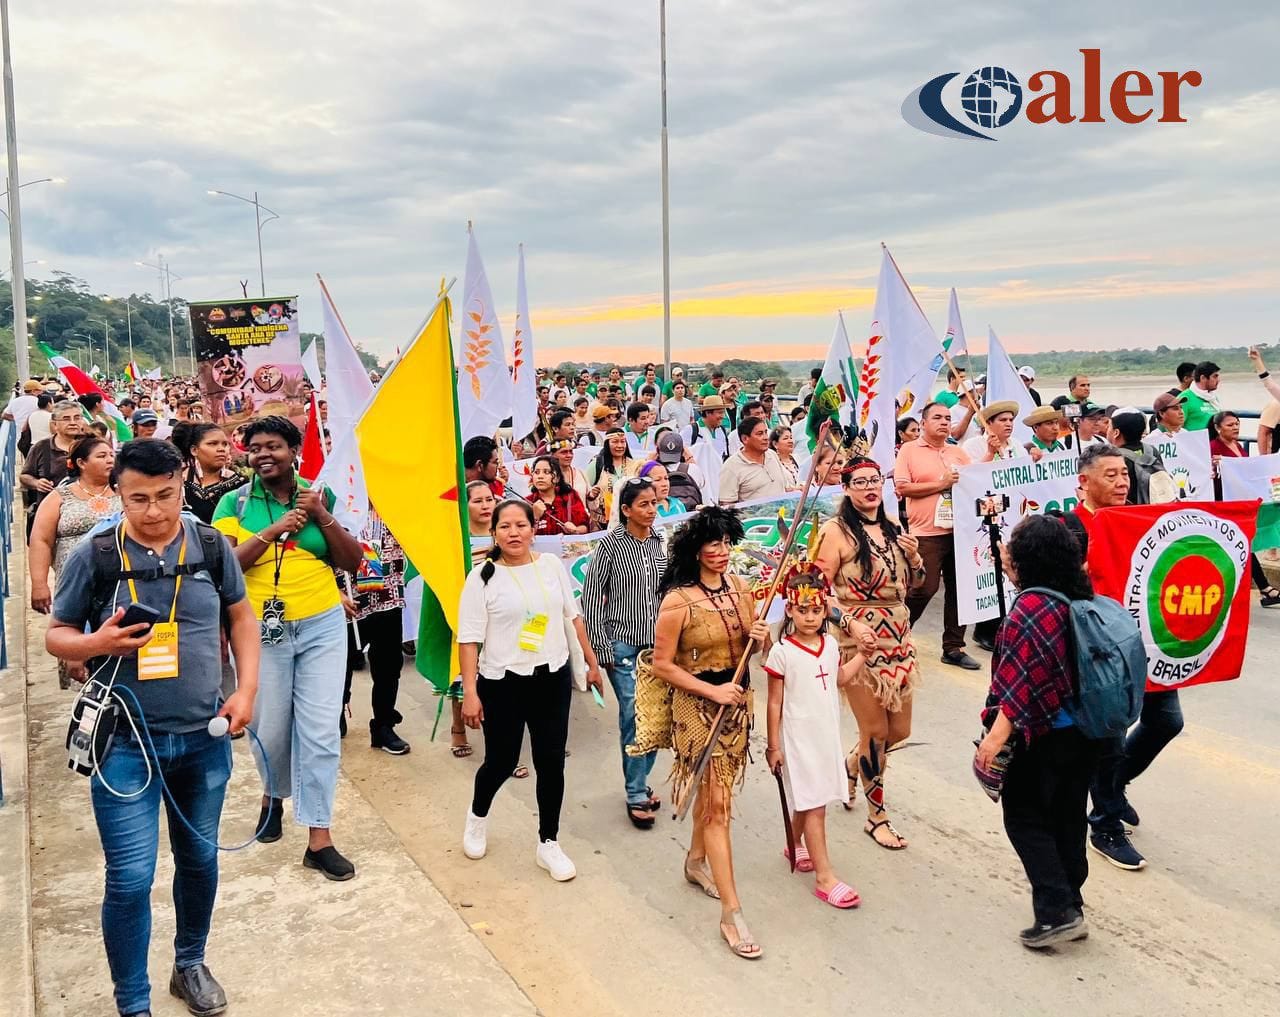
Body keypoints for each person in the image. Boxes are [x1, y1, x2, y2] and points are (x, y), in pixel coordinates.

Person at [46, 438, 259, 1017]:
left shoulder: (211, 546)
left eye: (165, 495)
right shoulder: (95, 554)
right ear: (118, 491)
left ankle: (189, 963)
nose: (155, 511)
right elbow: (56, 632)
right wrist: (95, 643)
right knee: (131, 877)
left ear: (183, 480)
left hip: (203, 738)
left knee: (199, 860)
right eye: (138, 498)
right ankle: (132, 1001)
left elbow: (241, 614)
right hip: (124, 746)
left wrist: (244, 691)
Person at [212, 416, 364, 880]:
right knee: (271, 729)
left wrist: (321, 515)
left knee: (319, 732)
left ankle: (320, 838)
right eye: (254, 447)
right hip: (260, 630)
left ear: (294, 449)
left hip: (321, 623)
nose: (263, 454)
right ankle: (272, 796)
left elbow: (352, 560)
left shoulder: (319, 495)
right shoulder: (233, 502)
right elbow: (226, 566)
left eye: (273, 446)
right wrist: (275, 529)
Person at [458, 499, 604, 880]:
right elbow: (470, 639)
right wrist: (470, 692)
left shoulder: (551, 567)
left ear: (532, 528)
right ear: (494, 534)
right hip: (502, 681)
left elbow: (573, 616)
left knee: (551, 760)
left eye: (520, 525)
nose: (513, 533)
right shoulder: (482, 577)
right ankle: (477, 816)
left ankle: (548, 842)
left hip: (550, 677)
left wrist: (590, 662)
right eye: (504, 526)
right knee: (501, 761)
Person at [975, 512, 1099, 950]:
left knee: (1025, 816)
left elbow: (1022, 680)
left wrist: (995, 738)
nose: (1006, 553)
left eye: (1013, 546)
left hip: (1042, 734)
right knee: (1067, 818)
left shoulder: (1031, 607)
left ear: (1029, 557)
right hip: (1083, 733)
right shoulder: (1078, 594)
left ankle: (1056, 911)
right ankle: (1073, 901)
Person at [652, 507, 770, 959]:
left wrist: (762, 637)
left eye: (726, 543)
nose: (721, 552)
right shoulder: (677, 601)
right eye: (713, 544)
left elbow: (761, 650)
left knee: (714, 793)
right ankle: (731, 912)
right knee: (719, 807)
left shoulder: (741, 589)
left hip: (736, 706)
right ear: (695, 548)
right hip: (698, 711)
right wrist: (710, 691)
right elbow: (663, 665)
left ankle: (695, 861)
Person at [815, 457, 927, 849]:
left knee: (900, 730)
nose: (869, 488)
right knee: (875, 731)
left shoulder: (894, 528)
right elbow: (815, 590)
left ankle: (852, 763)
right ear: (846, 488)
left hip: (898, 640)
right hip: (857, 645)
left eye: (874, 480)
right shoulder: (835, 531)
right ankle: (876, 815)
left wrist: (914, 558)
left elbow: (918, 583)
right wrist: (851, 624)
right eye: (859, 482)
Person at [1072, 445, 1165, 871]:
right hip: (1099, 651)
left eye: (1124, 474)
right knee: (1109, 737)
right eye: (1110, 475)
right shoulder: (1067, 529)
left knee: (1167, 719)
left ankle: (1114, 785)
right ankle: (1105, 825)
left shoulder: (1138, 521)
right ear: (1084, 482)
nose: (1122, 482)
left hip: (1144, 642)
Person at [764, 563, 863, 908]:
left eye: (816, 610)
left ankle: (794, 845)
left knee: (809, 799)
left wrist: (864, 654)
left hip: (825, 736)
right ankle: (825, 877)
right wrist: (773, 746)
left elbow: (838, 679)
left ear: (825, 609)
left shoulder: (831, 645)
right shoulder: (782, 652)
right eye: (802, 610)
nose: (810, 617)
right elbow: (774, 703)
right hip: (798, 740)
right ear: (789, 609)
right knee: (815, 804)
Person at [580, 478, 667, 828]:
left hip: (658, 646)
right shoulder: (610, 546)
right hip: (623, 645)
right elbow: (590, 597)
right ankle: (635, 793)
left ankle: (641, 783)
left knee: (658, 718)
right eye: (642, 505)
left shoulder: (661, 542)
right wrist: (600, 647)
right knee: (633, 715)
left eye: (653, 503)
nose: (650, 510)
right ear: (626, 510)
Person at [29, 435, 123, 687]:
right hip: (75, 585)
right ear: (81, 462)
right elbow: (41, 539)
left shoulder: (124, 491)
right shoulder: (62, 496)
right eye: (101, 456)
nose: (109, 460)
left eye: (111, 455)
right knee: (78, 653)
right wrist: (39, 583)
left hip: (117, 585)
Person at [894, 401, 977, 669]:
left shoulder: (957, 451)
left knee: (960, 591)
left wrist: (993, 453)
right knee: (923, 588)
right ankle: (897, 635)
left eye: (948, 418)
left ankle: (954, 647)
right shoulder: (909, 450)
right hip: (925, 532)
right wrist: (939, 485)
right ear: (924, 422)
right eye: (938, 417)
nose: (944, 422)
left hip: (960, 532)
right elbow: (903, 488)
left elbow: (977, 479)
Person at [339, 508, 412, 753]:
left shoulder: (393, 499)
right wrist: (333, 591)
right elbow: (315, 548)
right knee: (341, 663)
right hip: (346, 597)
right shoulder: (334, 497)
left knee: (389, 665)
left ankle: (383, 726)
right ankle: (336, 710)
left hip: (388, 594)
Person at [1208, 411, 1280, 607]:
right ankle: (1264, 588)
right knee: (1240, 544)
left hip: (1240, 504)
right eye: (1230, 424)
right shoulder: (1213, 448)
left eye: (1237, 423)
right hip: (1223, 504)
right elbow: (1205, 475)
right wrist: (1214, 467)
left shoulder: (1238, 446)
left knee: (1242, 543)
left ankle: (1261, 589)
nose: (1235, 427)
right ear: (1217, 428)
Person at [21, 400, 87, 530]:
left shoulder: (90, 446)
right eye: (66, 419)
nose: (73, 422)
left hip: (86, 515)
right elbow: (24, 476)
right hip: (52, 519)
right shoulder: (41, 447)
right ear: (54, 424)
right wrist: (37, 483)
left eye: (77, 418)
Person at [173, 422, 246, 524]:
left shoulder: (241, 484)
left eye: (225, 444)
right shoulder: (177, 483)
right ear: (194, 450)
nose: (221, 449)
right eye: (212, 444)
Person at [718, 418, 790, 505]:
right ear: (745, 439)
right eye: (760, 434)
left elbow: (783, 488)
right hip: (754, 518)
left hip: (782, 515)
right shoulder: (731, 467)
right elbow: (727, 504)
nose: (766, 438)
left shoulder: (772, 455)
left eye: (766, 432)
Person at [525, 455, 591, 535]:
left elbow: (585, 526)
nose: (540, 477)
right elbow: (523, 537)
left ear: (557, 477)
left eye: (546, 472)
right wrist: (535, 517)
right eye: (536, 472)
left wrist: (575, 530)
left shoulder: (570, 496)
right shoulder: (527, 503)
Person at [586, 429, 638, 526]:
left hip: (631, 518)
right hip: (604, 522)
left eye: (622, 442)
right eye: (615, 442)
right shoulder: (597, 465)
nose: (620, 445)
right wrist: (592, 494)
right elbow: (585, 492)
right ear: (607, 444)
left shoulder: (635, 465)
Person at [963, 402, 1040, 462]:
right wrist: (990, 454)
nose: (1009, 424)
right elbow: (972, 474)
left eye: (1011, 420)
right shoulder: (972, 445)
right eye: (1003, 420)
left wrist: (1033, 459)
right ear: (988, 423)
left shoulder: (1017, 444)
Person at [687, 394, 731, 460]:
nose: (723, 416)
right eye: (720, 413)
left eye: (723, 413)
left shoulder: (721, 430)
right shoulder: (691, 430)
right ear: (708, 413)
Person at [1179, 361, 1221, 431]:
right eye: (1215, 376)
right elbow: (1175, 427)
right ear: (1203, 378)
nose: (1218, 380)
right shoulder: (1185, 398)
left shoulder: (1212, 397)